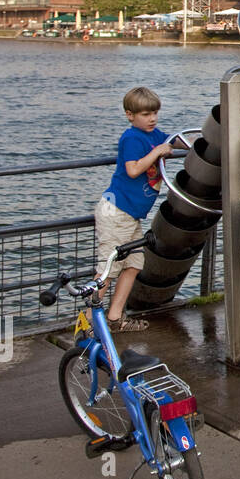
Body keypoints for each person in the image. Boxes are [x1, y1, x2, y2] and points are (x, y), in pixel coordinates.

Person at [95, 87, 184, 332]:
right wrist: (157, 152)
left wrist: (209, 141)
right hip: (117, 211)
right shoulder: (132, 138)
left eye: (155, 112)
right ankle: (89, 320)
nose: (152, 118)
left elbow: (179, 141)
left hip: (130, 216)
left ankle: (114, 319)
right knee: (108, 269)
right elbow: (133, 170)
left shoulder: (156, 135)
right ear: (130, 115)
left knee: (134, 264)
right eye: (145, 114)